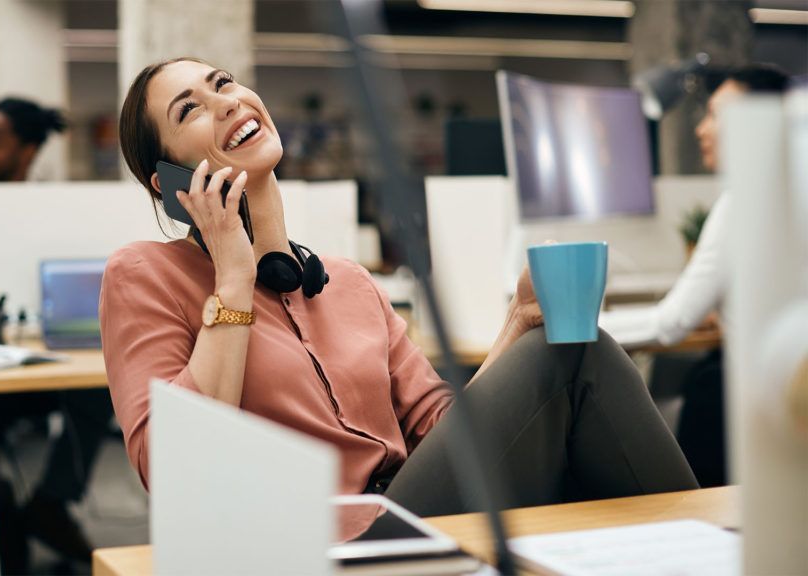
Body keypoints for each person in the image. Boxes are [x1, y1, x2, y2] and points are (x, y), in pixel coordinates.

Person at [101, 57, 698, 521]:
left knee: (574, 343)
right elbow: (174, 471)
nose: (227, 102)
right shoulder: (144, 274)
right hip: (313, 541)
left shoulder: (349, 283)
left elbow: (440, 429)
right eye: (190, 110)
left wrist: (516, 322)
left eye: (223, 83)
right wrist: (233, 281)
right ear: (168, 183)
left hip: (413, 510)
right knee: (569, 356)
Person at [0, 97, 111, 573]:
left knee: (99, 389)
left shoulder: (47, 208)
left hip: (34, 353)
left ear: (28, 151)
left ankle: (51, 503)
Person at [667, 64, 788, 487]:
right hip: (778, 389)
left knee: (704, 383)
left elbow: (671, 323)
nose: (701, 129)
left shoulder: (740, 200)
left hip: (755, 397)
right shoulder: (783, 191)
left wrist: (581, 324)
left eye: (716, 115)